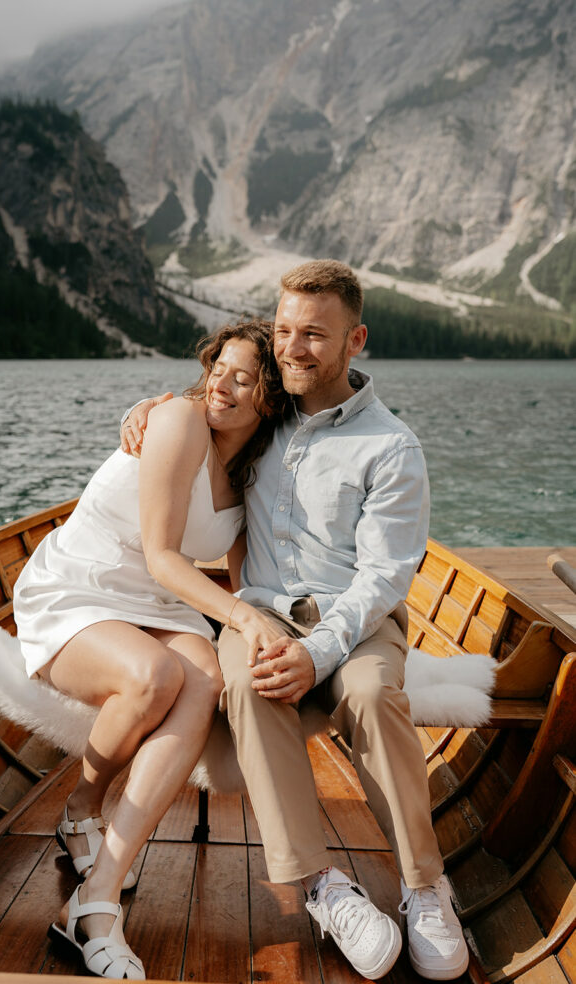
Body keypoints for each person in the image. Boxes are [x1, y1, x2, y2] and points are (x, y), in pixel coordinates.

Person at [122, 260, 469, 981]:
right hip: (259, 616)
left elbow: (382, 578)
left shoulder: (391, 446)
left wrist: (320, 652)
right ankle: (320, 885)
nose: (292, 348)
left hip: (356, 621)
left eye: (314, 334)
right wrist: (154, 409)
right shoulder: (266, 416)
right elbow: (210, 403)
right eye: (283, 330)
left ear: (355, 340)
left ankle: (423, 885)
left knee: (372, 693)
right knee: (248, 686)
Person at [13, 320, 288, 980]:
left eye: (242, 376)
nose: (219, 382)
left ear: (271, 395)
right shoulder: (178, 421)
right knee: (154, 676)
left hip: (156, 605)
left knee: (202, 683)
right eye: (216, 367)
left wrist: (282, 628)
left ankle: (95, 900)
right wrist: (242, 622)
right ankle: (81, 810)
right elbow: (166, 557)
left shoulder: (259, 463)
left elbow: (248, 574)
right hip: (79, 585)